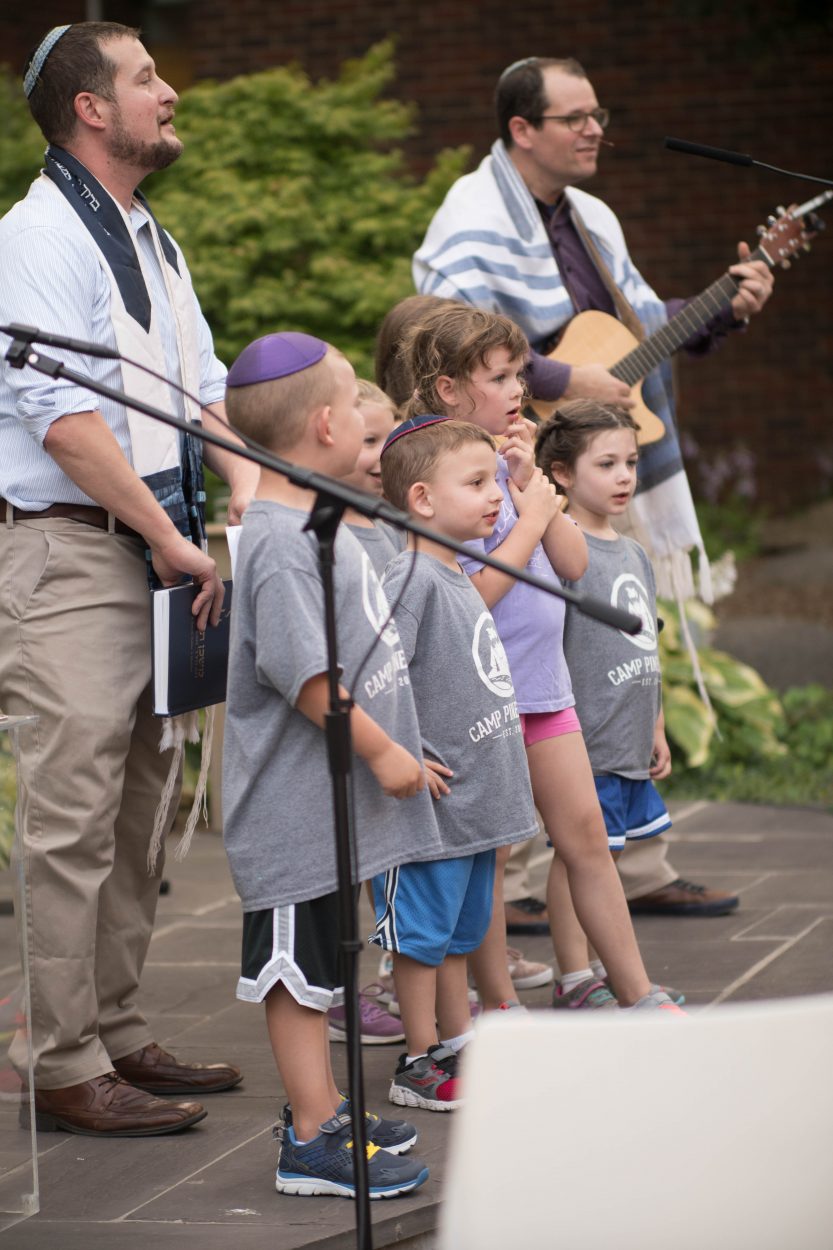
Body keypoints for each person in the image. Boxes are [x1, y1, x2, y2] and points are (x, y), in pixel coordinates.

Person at [413, 55, 768, 918]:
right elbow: (446, 331)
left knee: (618, 656)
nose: (594, 128)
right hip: (521, 465)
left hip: (605, 462)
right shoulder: (469, 215)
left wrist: (723, 303)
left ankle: (635, 864)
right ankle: (534, 879)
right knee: (538, 668)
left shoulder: (592, 216)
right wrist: (560, 378)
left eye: (597, 113)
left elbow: (638, 332)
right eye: (573, 116)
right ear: (520, 130)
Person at [0, 22, 258, 1137]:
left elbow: (200, 389)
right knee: (72, 812)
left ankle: (109, 1023)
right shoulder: (34, 233)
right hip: (70, 547)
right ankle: (56, 1060)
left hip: (161, 544)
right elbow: (61, 422)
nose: (167, 92)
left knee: (143, 807)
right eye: (145, 77)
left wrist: (247, 499)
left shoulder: (152, 237)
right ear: (89, 108)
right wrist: (170, 534)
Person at [401, 301, 682, 1013]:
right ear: (450, 390)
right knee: (489, 857)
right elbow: (466, 598)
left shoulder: (507, 460)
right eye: (499, 378)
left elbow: (575, 561)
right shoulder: (437, 469)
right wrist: (526, 520)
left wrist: (532, 489)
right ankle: (498, 1006)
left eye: (519, 375)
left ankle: (634, 990)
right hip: (481, 701)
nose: (517, 391)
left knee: (586, 836)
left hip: (547, 691)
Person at [221, 331, 437, 1197]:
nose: (362, 420)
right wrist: (383, 753)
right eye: (353, 405)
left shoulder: (316, 523)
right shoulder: (277, 542)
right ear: (321, 426)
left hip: (325, 807)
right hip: (288, 810)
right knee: (294, 969)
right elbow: (305, 676)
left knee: (322, 961)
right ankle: (310, 1137)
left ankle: (327, 1108)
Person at [373, 413, 540, 1111]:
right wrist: (403, 751)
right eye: (475, 483)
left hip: (476, 802)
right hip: (432, 804)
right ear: (421, 499)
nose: (493, 495)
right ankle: (416, 1061)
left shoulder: (454, 576)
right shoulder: (408, 577)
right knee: (420, 936)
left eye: (494, 480)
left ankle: (451, 1039)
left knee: (457, 934)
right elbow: (379, 672)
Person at [536, 400, 683, 997]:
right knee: (576, 856)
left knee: (608, 855)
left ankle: (601, 965)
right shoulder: (560, 547)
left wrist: (657, 726)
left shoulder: (635, 553)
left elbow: (647, 643)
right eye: (606, 464)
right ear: (563, 474)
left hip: (627, 736)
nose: (625, 476)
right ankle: (574, 974)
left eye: (631, 462)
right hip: (584, 739)